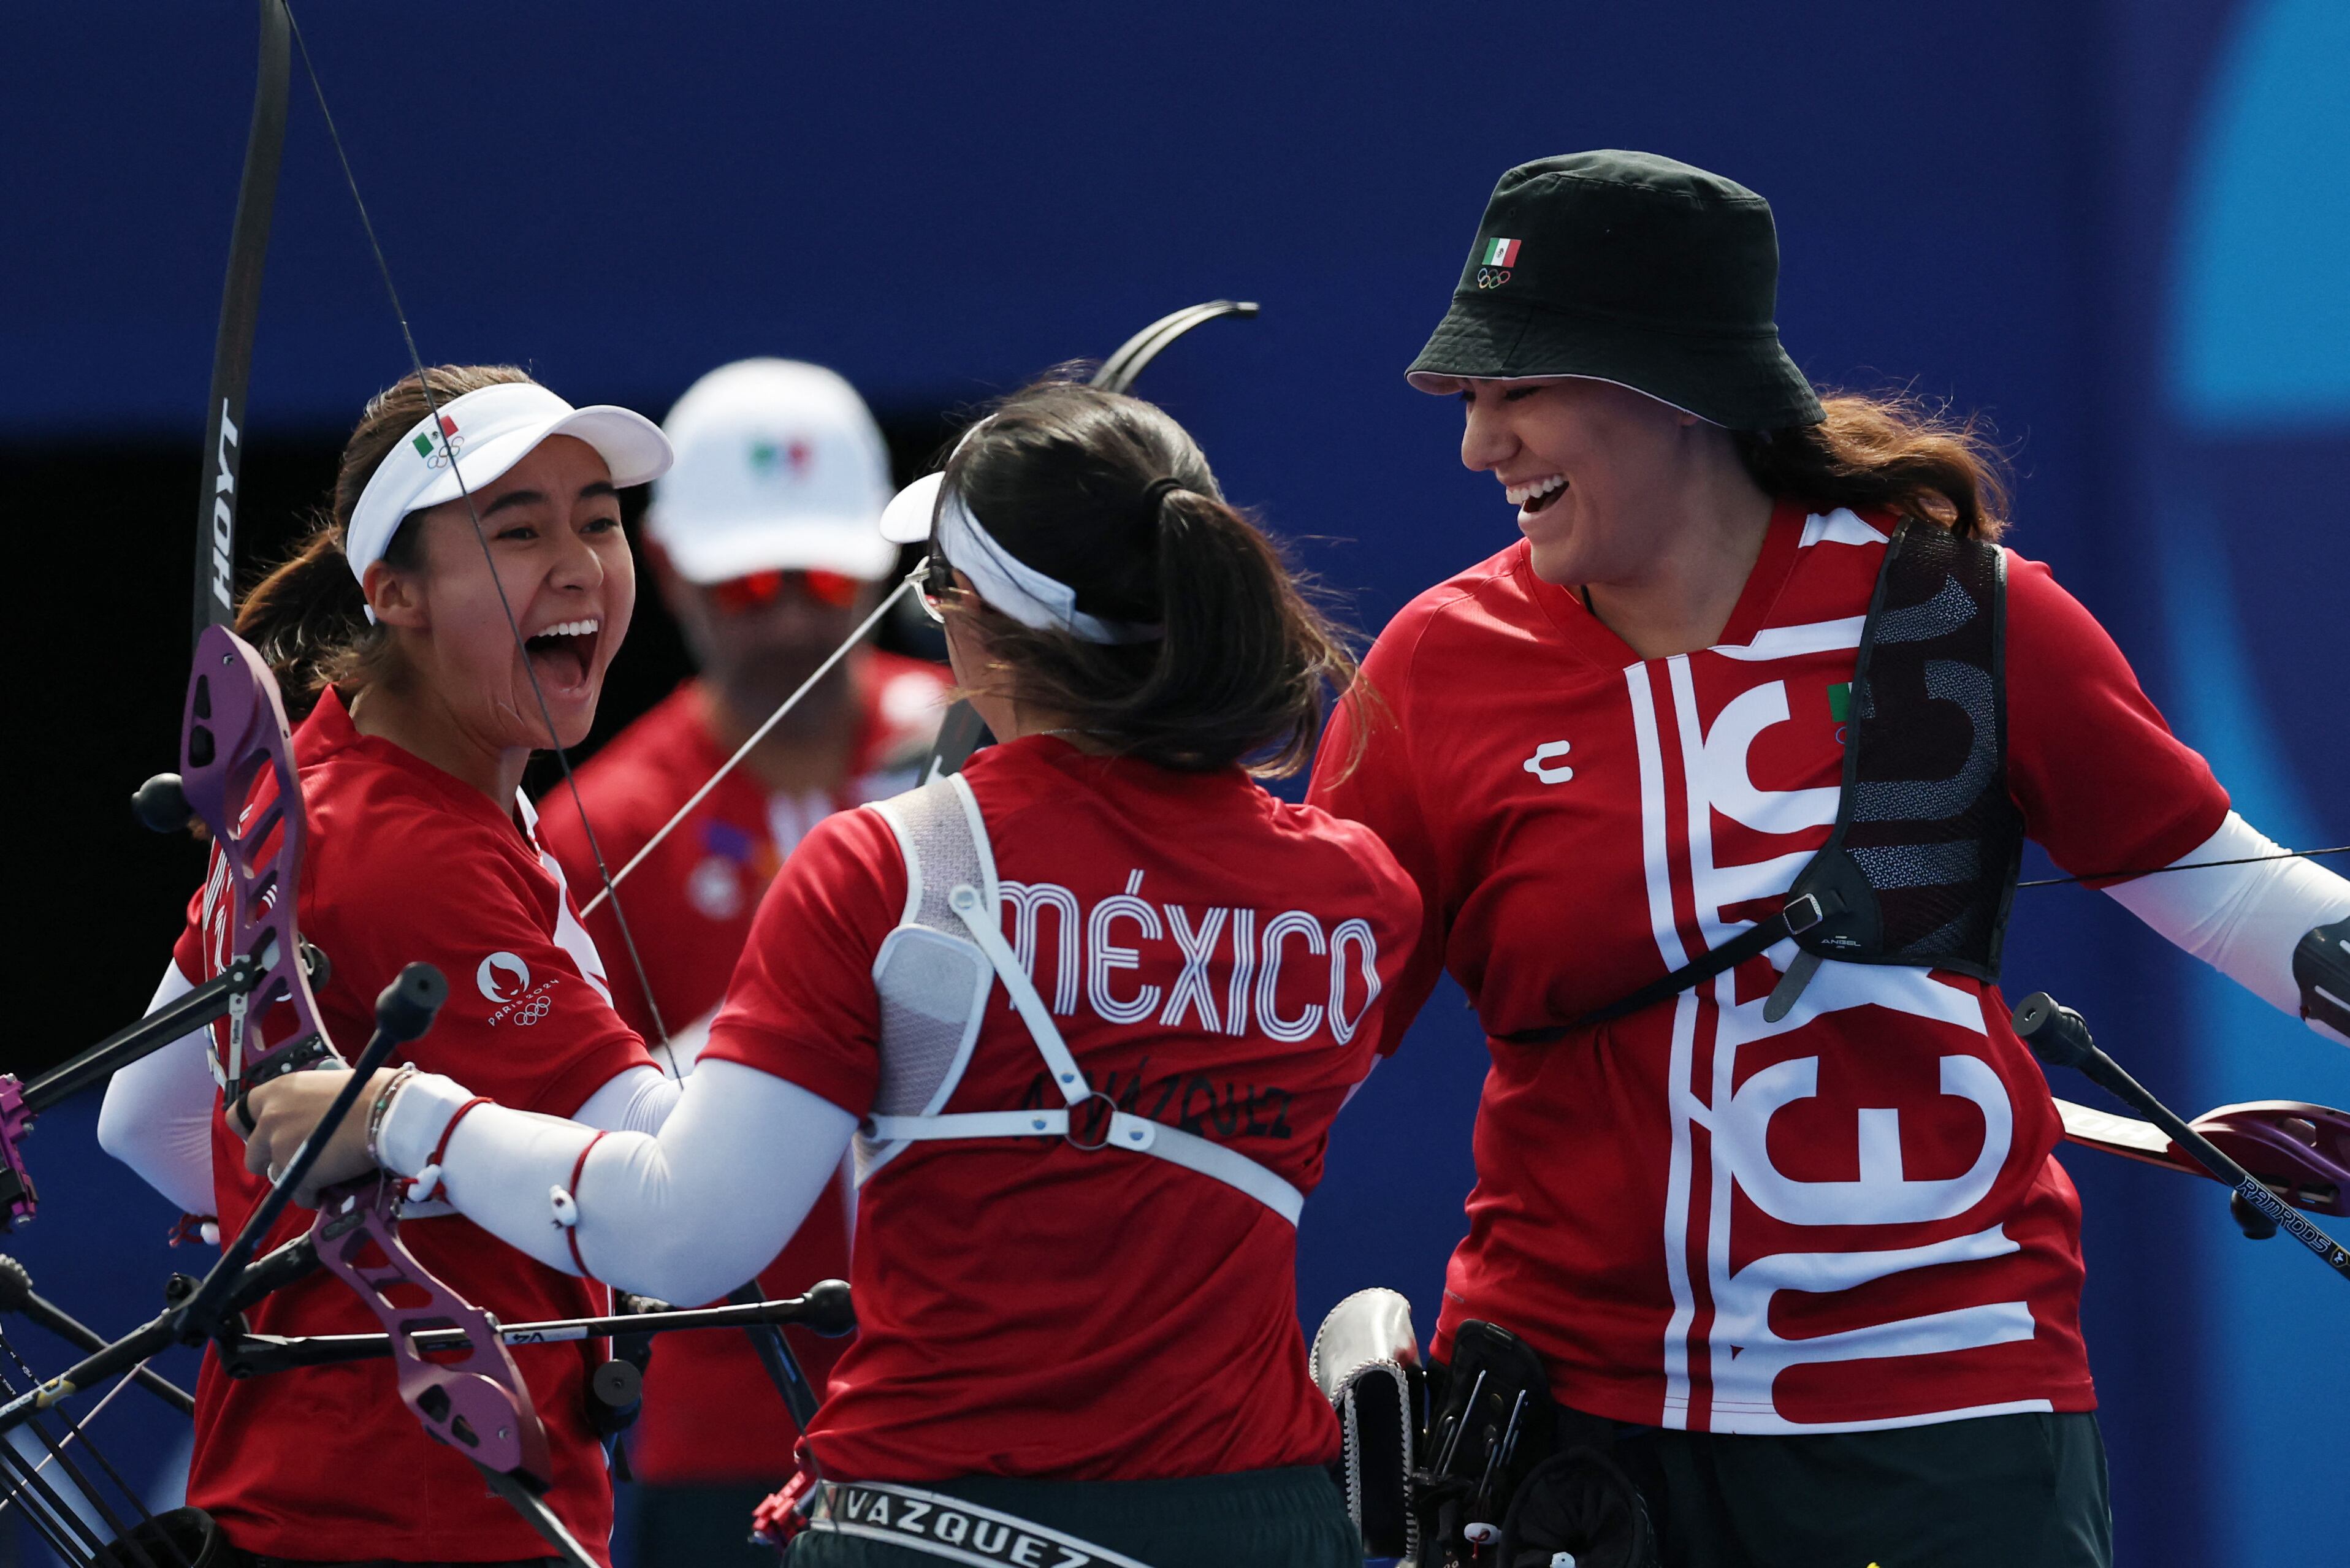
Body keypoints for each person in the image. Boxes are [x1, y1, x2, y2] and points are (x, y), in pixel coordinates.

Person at [1307, 151, 2350, 1568]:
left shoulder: (1958, 614)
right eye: (1474, 397)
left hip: (1949, 1418)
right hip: (1584, 1433)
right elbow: (1303, 1038)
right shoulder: (1435, 668)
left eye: (1518, 389)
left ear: (1674, 387)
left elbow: (2230, 890)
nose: (1480, 446)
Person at [243, 379, 1423, 1568]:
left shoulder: (887, 864)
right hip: (1255, 1525)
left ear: (964, 619)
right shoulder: (1362, 894)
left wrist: (405, 1115)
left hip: (944, 1530)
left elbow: (688, 1230)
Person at [98, 365, 678, 1564]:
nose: (578, 563)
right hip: (425, 1527)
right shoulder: (411, 854)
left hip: (308, 1507)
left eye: (600, 518)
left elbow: (141, 1117)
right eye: (516, 530)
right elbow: (666, 1208)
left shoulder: (317, 781)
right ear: (394, 593)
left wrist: (377, 1211)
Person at [538, 359, 948, 1561]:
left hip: (977, 1392)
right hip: (725, 1427)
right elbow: (573, 1152)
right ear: (668, 573)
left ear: (886, 567)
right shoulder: (591, 832)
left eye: (821, 576)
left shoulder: (990, 753)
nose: (790, 616)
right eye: (749, 579)